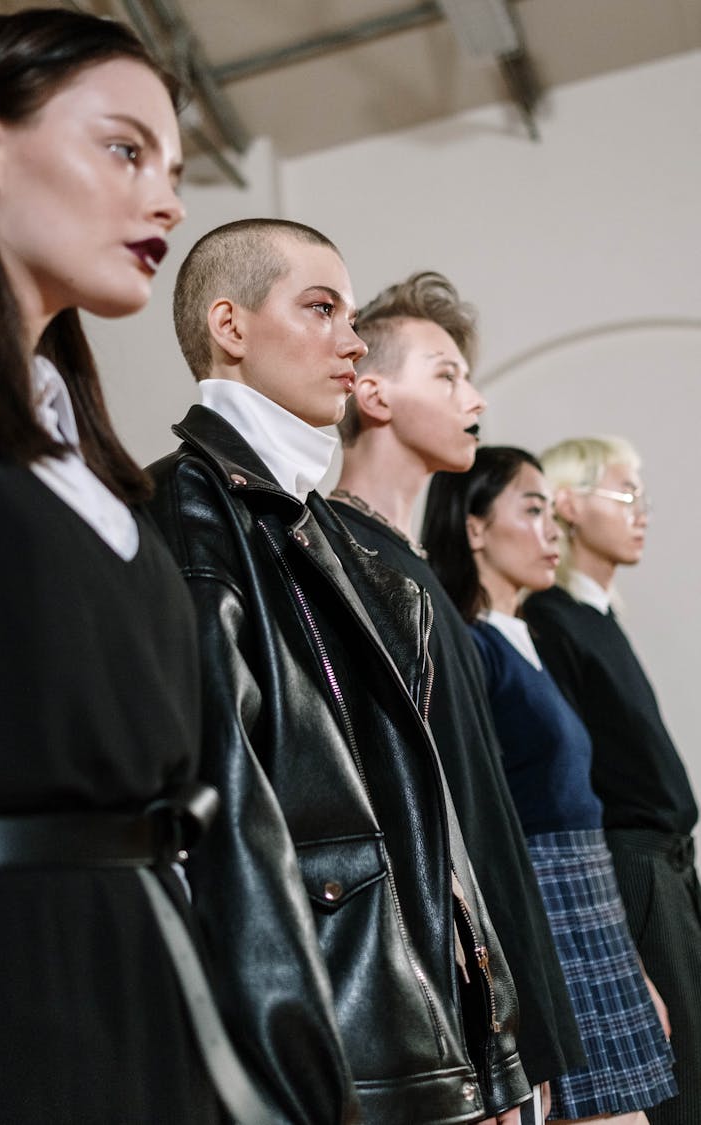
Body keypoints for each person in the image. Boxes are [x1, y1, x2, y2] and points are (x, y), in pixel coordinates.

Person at [0, 9, 266, 1124]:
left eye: (175, 167)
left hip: (147, 968)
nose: (168, 202)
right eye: (125, 149)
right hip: (0, 995)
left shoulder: (97, 465)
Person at [147, 219, 532, 1124]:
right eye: (320, 308)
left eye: (352, 315)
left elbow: (419, 810)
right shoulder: (190, 514)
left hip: (413, 1020)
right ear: (230, 326)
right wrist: (306, 1084)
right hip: (335, 1045)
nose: (351, 341)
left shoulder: (323, 532)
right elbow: (227, 825)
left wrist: (494, 1044)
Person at [330, 271, 587, 1125]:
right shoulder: (343, 563)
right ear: (372, 392)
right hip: (443, 1005)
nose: (473, 395)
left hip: (497, 994)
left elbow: (486, 814)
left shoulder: (420, 575)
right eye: (445, 374)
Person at [422, 445, 678, 1123]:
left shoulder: (524, 634)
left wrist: (635, 965)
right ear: (475, 528)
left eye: (549, 513)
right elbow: (480, 814)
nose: (550, 532)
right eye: (530, 511)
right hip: (543, 900)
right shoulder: (473, 644)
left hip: (592, 895)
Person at [523, 436, 701, 1125]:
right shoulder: (551, 618)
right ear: (567, 504)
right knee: (674, 1084)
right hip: (628, 869)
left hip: (667, 867)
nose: (641, 511)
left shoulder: (597, 615)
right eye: (625, 493)